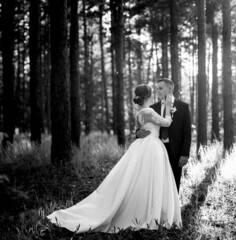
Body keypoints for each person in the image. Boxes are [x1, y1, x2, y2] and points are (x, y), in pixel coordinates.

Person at [47, 84, 182, 233]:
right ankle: (150, 212)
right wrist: (169, 108)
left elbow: (142, 130)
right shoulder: (149, 111)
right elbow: (167, 123)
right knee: (150, 178)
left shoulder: (140, 112)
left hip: (142, 145)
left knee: (139, 179)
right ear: (148, 97)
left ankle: (148, 208)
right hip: (151, 147)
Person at [137, 78, 192, 191]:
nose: (158, 91)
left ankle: (173, 208)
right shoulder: (152, 108)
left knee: (174, 181)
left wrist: (185, 154)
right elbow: (143, 126)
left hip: (175, 151)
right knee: (157, 181)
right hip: (156, 150)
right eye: (156, 89)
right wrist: (137, 133)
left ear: (170, 88)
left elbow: (187, 133)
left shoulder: (183, 107)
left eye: (160, 88)